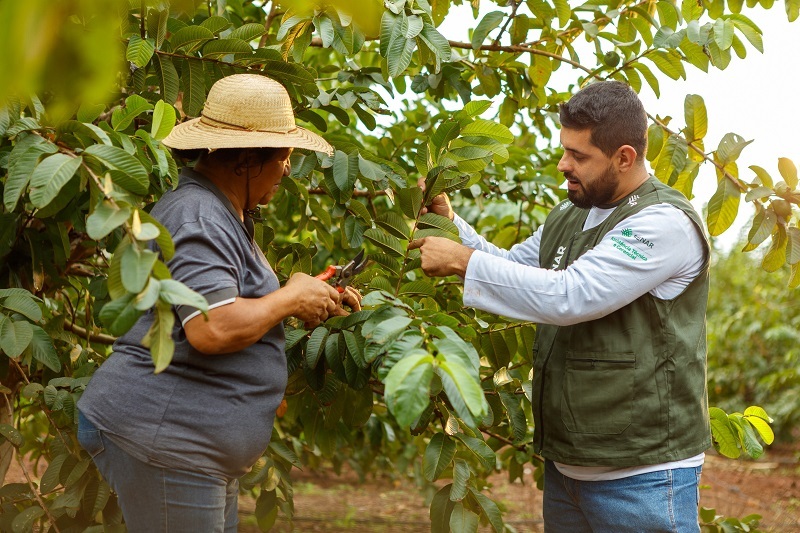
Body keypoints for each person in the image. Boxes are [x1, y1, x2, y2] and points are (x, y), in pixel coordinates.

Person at [409, 80, 710, 532]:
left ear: (625, 157)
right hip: (570, 466)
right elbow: (513, 269)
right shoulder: (570, 214)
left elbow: (571, 294)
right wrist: (452, 227)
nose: (562, 164)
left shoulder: (663, 222)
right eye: (564, 148)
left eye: (579, 156)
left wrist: (462, 262)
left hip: (642, 476)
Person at [77, 74, 360, 532]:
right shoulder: (200, 215)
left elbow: (231, 304)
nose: (287, 171)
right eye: (283, 157)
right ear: (247, 160)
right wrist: (289, 297)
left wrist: (302, 298)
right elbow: (211, 328)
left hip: (194, 449)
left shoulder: (224, 213)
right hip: (170, 441)